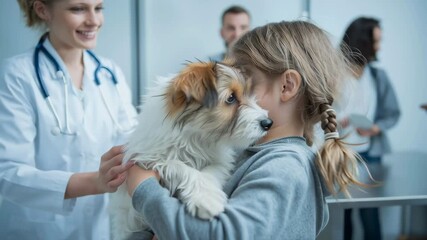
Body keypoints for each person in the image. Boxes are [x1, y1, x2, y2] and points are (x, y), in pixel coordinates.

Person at [124, 20, 366, 239]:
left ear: (287, 86)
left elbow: (223, 235)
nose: (242, 100)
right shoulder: (258, 154)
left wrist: (144, 190)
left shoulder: (284, 167)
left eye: (248, 83)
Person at [0, 0, 137, 239]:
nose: (94, 20)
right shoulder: (16, 75)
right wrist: (96, 182)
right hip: (36, 230)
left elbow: (133, 143)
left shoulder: (110, 74)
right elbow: (7, 173)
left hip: (98, 228)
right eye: (78, 8)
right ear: (42, 10)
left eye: (99, 7)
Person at [336, 17, 401, 240]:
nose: (379, 46)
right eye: (376, 41)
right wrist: (335, 122)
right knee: (340, 218)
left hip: (369, 156)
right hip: (339, 157)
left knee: (370, 214)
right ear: (362, 42)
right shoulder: (332, 74)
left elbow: (393, 113)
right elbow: (316, 114)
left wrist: (376, 128)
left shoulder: (377, 76)